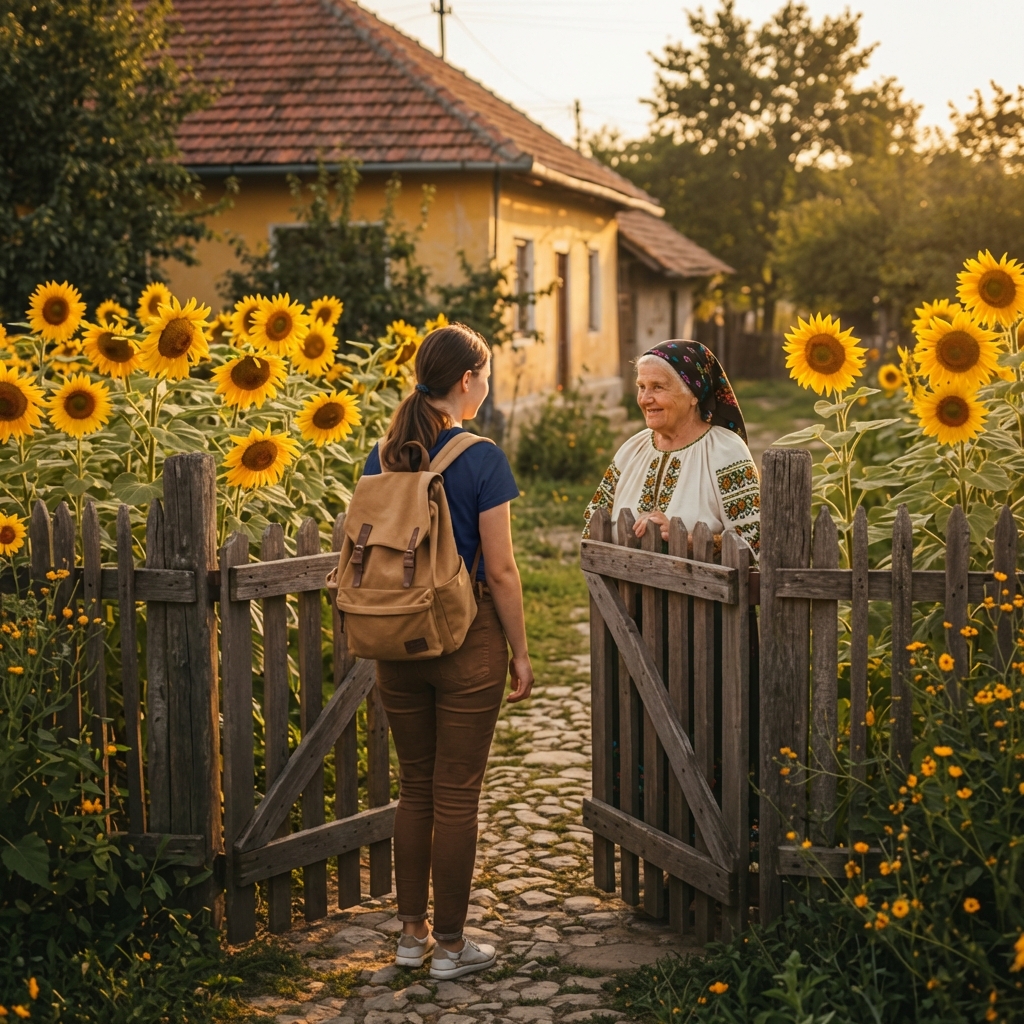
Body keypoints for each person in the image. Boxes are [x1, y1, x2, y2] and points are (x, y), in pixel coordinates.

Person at [361, 322, 534, 980]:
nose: (485, 390)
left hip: (395, 642)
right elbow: (504, 570)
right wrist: (519, 652)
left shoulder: (381, 454)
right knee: (458, 794)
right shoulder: (482, 458)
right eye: (484, 378)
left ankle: (410, 938)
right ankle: (454, 949)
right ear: (467, 381)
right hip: (467, 639)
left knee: (416, 788)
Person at [583, 340, 760, 553]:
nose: (645, 399)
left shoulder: (726, 451)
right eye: (641, 387)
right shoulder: (631, 449)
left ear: (694, 394)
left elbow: (753, 545)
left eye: (658, 387)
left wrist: (688, 540)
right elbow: (591, 530)